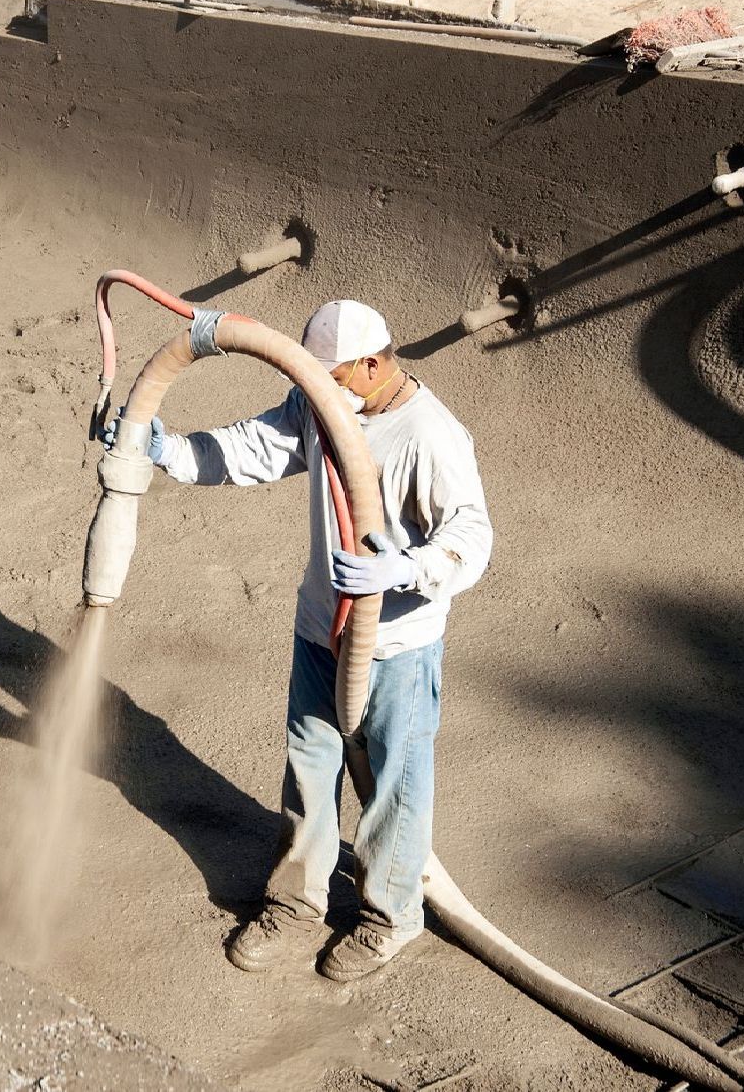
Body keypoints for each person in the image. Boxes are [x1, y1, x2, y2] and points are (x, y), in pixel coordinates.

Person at [120, 299, 492, 981]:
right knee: (309, 768)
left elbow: (472, 539)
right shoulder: (322, 404)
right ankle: (296, 903)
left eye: (329, 374)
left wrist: (402, 568)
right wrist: (168, 450)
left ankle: (389, 916)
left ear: (373, 363)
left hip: (396, 644)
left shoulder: (431, 436)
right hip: (320, 627)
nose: (314, 386)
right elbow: (253, 448)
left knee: (393, 786)